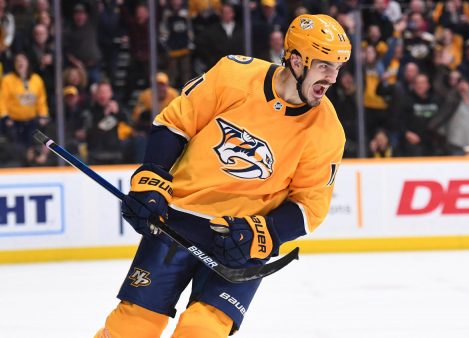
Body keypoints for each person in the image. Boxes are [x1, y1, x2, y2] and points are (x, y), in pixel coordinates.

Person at [95, 13, 351, 338]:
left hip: (240, 242)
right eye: (324, 65)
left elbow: (309, 206)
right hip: (178, 220)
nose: (332, 77)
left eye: (338, 67)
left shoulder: (327, 131)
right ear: (297, 61)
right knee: (131, 327)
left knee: (200, 331)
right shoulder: (234, 73)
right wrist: (151, 180)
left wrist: (265, 232)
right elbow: (175, 123)